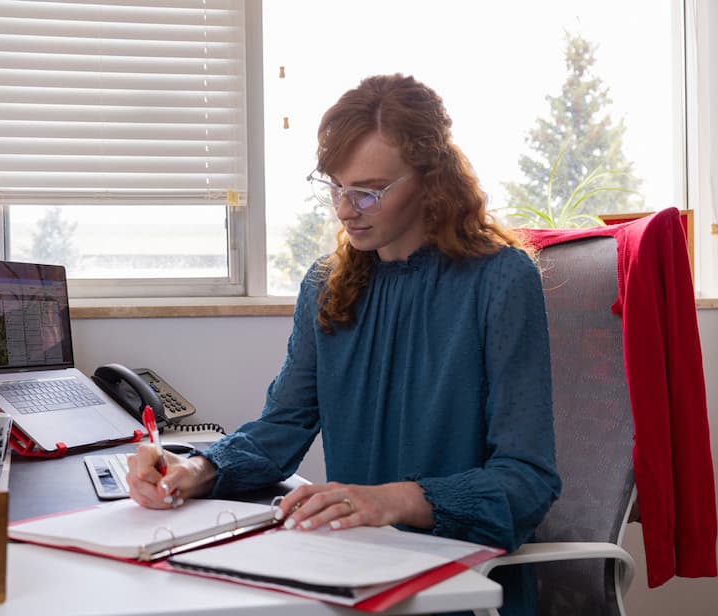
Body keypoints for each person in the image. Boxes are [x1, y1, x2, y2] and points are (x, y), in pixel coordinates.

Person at [127, 73, 561, 616]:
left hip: (463, 586)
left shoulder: (500, 279)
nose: (344, 209)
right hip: (352, 573)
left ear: (431, 181)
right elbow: (280, 429)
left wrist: (391, 499)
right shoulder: (325, 285)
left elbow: (527, 479)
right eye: (334, 185)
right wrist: (196, 469)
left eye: (368, 191)